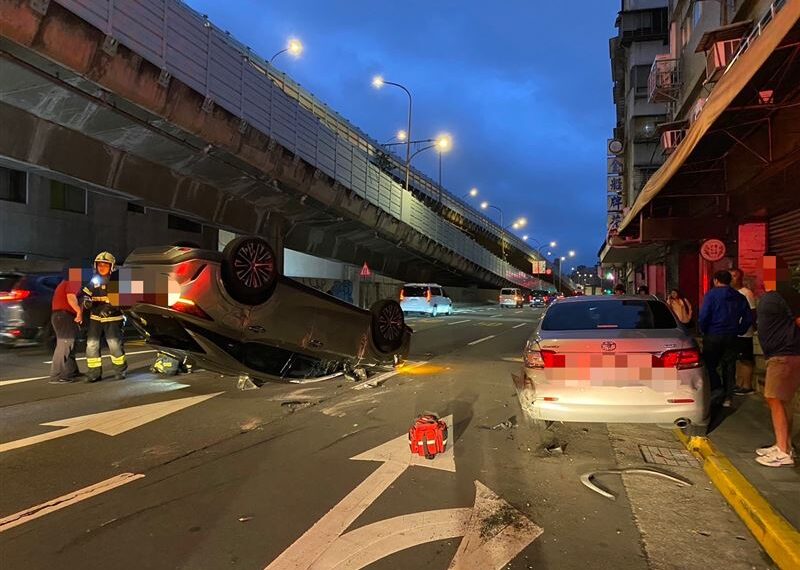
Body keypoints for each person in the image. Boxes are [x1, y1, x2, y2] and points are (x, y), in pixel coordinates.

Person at [754, 256, 800, 468]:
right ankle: (783, 445)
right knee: (780, 400)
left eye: (764, 269)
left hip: (785, 354)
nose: (760, 272)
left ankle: (783, 451)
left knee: (775, 398)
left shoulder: (785, 293)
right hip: (778, 354)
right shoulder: (774, 294)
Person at [698, 270, 753, 407]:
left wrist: (703, 330)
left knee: (710, 365)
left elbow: (704, 316)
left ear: (716, 280)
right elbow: (748, 317)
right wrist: (740, 330)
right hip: (732, 336)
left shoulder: (711, 295)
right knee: (729, 366)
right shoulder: (739, 296)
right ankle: (728, 397)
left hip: (713, 335)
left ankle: (716, 390)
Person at [81, 251, 127, 382]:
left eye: (105, 265)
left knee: (114, 345)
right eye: (99, 265)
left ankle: (120, 371)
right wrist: (86, 302)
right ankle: (94, 373)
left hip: (113, 319)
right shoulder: (94, 280)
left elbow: (121, 299)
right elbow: (86, 294)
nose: (102, 267)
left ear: (111, 267)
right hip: (95, 318)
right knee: (91, 345)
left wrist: (109, 309)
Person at [48, 268, 85, 383]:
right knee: (65, 344)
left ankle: (71, 372)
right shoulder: (74, 280)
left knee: (69, 344)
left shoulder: (66, 282)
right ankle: (56, 375)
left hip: (60, 316)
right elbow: (71, 297)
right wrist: (78, 311)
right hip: (64, 316)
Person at [730, 268, 758, 395]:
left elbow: (752, 312)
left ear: (740, 278)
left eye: (734, 276)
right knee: (738, 359)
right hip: (734, 331)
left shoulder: (746, 293)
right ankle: (739, 383)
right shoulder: (730, 293)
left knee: (746, 358)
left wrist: (749, 326)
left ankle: (747, 386)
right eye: (730, 276)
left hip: (744, 332)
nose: (732, 279)